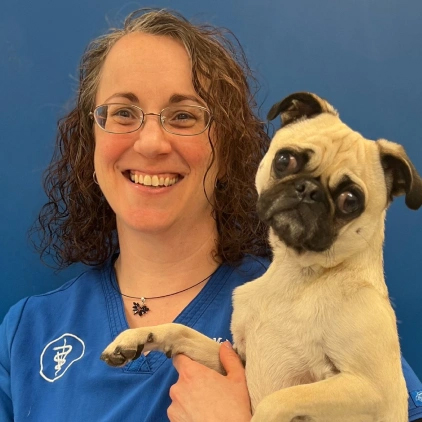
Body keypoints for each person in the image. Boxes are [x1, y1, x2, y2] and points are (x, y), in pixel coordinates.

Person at [0, 8, 421, 422]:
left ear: (227, 146)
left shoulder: (327, 304)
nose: (151, 143)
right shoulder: (27, 331)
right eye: (123, 113)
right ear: (91, 139)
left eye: (183, 116)